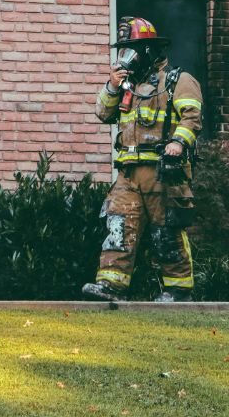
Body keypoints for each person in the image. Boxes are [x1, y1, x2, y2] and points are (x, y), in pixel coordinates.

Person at [82, 17, 203, 303]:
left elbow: (192, 117)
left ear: (149, 49)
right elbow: (103, 113)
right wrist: (112, 86)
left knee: (166, 232)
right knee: (118, 227)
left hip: (163, 173)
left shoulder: (178, 81)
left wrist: (177, 142)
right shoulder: (127, 86)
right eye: (124, 50)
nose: (127, 57)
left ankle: (178, 290)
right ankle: (110, 286)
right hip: (128, 174)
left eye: (132, 49)